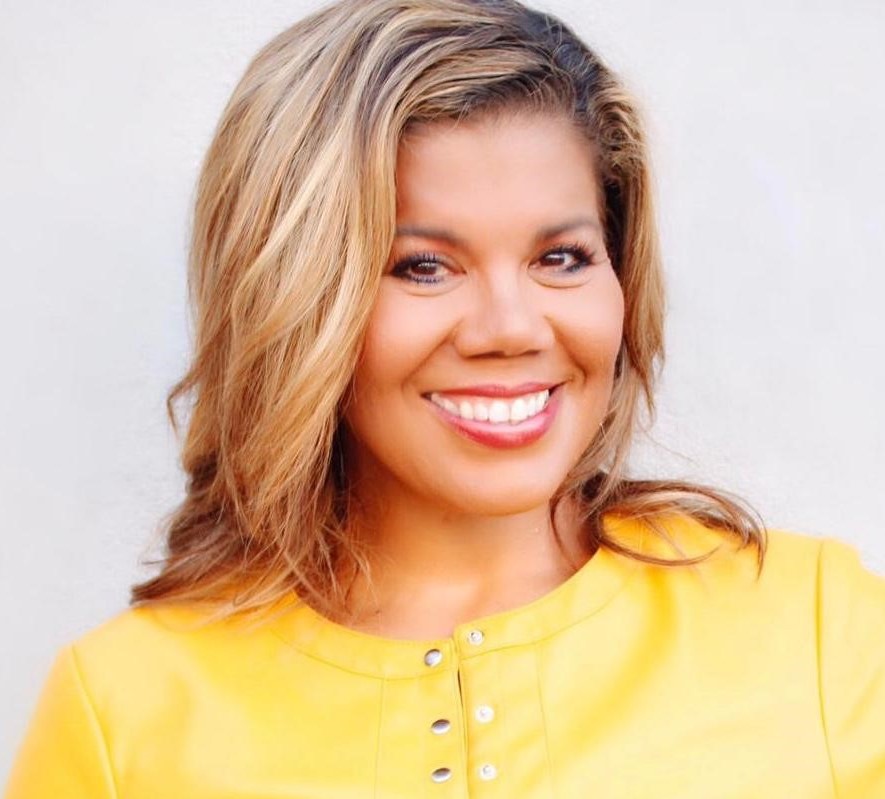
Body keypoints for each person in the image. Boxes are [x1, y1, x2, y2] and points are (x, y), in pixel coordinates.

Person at [6, 0, 884, 796]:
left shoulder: (819, 632)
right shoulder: (124, 713)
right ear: (292, 298)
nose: (511, 327)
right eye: (422, 266)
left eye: (561, 257)